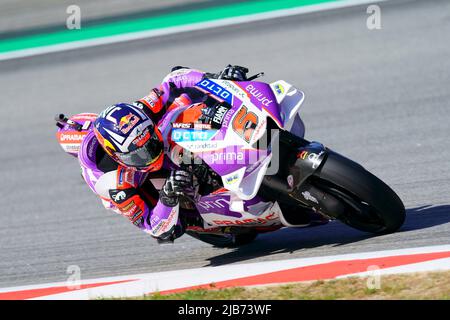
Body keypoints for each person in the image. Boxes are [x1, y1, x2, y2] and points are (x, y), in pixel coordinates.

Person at [78, 65, 248, 243]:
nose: (152, 156)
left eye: (151, 143)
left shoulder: (141, 110)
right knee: (171, 228)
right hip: (137, 181)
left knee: (183, 98)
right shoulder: (115, 184)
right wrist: (167, 196)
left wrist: (216, 79)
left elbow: (174, 78)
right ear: (117, 156)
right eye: (140, 155)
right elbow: (153, 226)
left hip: (155, 141)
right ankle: (211, 220)